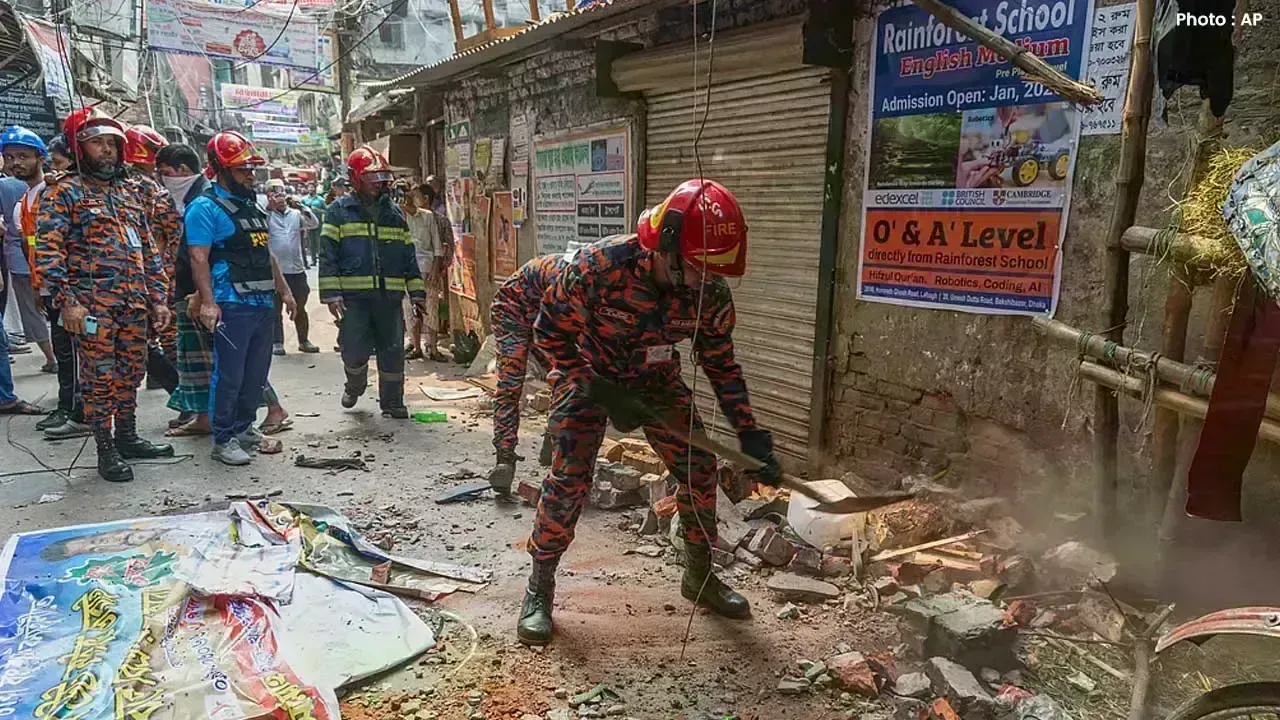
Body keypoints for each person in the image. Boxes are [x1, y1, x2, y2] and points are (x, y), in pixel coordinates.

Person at [516, 179, 782, 646]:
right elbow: (548, 334)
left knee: (700, 469)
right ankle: (540, 588)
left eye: (715, 271)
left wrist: (749, 431)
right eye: (699, 269)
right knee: (570, 477)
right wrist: (595, 388)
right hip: (588, 373)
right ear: (668, 250)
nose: (708, 280)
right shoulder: (600, 267)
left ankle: (699, 578)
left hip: (656, 381)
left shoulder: (710, 293)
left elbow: (720, 363)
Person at [35, 107, 175, 483]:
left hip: (133, 305)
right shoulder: (62, 192)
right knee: (100, 378)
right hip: (90, 307)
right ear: (81, 148)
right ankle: (105, 447)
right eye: (98, 143)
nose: (107, 151)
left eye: (112, 143)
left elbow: (147, 250)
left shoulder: (129, 193)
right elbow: (49, 253)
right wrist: (67, 302)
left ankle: (127, 436)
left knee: (131, 372)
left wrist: (158, 298)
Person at [162, 143, 291, 439]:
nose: (250, 176)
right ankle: (224, 437)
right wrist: (208, 301)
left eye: (251, 169)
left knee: (254, 375)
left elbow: (266, 252)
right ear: (221, 170)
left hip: (261, 301)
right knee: (229, 375)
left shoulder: (251, 206)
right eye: (242, 170)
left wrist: (284, 291)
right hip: (231, 301)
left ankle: (244, 428)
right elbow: (198, 257)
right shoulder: (205, 208)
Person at [319, 146, 425, 418]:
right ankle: (355, 385)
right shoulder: (337, 212)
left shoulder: (395, 214)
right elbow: (327, 255)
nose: (379, 184)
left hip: (389, 299)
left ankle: (392, 402)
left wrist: (417, 294)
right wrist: (331, 295)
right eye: (371, 178)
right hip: (354, 300)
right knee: (353, 350)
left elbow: (408, 257)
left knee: (393, 352)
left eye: (381, 178)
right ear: (356, 179)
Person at [486, 252, 572, 493]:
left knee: (564, 378)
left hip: (545, 319)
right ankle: (505, 458)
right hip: (512, 313)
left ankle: (553, 440)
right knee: (510, 385)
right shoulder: (568, 281)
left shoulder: (599, 286)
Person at [124, 124, 181, 392]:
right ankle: (187, 400)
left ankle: (182, 398)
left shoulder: (113, 187)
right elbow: (175, 234)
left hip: (125, 279)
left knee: (139, 338)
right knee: (170, 337)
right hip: (158, 275)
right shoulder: (155, 191)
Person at [1, 127, 56, 373]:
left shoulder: (54, 190)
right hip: (40, 276)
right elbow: (28, 242)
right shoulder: (26, 198)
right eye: (10, 157)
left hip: (60, 281)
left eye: (23, 156)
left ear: (40, 158)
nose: (16, 163)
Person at [265, 179, 317, 355]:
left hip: (296, 269)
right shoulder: (266, 215)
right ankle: (277, 342)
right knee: (275, 309)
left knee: (300, 306)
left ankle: (303, 341)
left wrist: (301, 206)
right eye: (274, 194)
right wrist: (268, 209)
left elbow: (314, 223)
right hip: (275, 272)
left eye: (281, 194)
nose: (278, 198)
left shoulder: (295, 214)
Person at [401, 183, 446, 362]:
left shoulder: (428, 217)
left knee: (431, 308)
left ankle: (433, 348)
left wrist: (435, 271)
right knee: (409, 310)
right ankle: (417, 346)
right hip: (406, 271)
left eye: (412, 195)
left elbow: (437, 247)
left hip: (427, 270)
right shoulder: (398, 217)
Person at [301, 184, 326, 268]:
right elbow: (300, 210)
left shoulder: (320, 200)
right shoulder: (304, 199)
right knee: (311, 242)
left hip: (319, 223)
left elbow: (326, 210)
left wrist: (318, 210)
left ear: (315, 189)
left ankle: (321, 258)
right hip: (308, 224)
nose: (311, 189)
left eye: (312, 187)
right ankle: (313, 260)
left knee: (319, 241)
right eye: (309, 187)